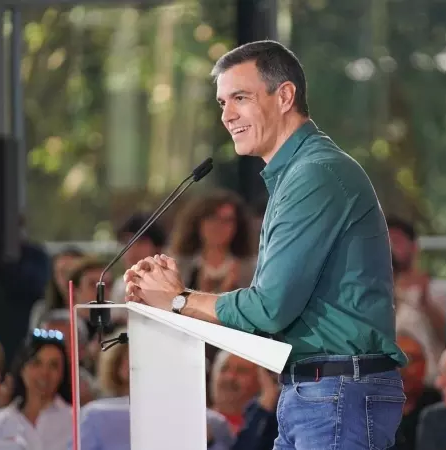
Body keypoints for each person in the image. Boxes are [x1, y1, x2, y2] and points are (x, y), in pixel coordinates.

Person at [124, 40, 407, 449]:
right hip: (316, 392)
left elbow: (270, 307)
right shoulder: (296, 174)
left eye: (240, 98)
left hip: (336, 394)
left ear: (285, 95)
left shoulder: (315, 174)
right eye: (222, 103)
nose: (227, 115)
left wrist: (180, 299)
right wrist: (172, 299)